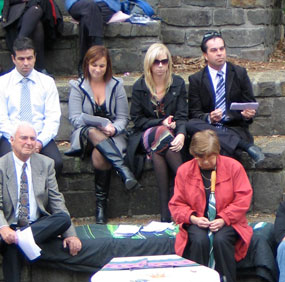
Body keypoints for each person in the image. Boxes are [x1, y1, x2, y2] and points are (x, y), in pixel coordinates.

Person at [0, 122, 82, 282]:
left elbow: (56, 200)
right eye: (23, 138)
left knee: (62, 219)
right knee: (11, 245)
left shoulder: (45, 164)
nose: (29, 143)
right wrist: (3, 227)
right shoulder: (2, 165)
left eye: (32, 138)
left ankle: (21, 238)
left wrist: (70, 234)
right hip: (9, 226)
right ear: (12, 141)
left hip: (36, 226)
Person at [169, 129, 253, 282]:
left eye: (209, 157)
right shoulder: (184, 171)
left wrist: (224, 218)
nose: (205, 161)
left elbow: (243, 199)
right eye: (201, 158)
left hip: (229, 221)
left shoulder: (233, 167)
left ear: (217, 153)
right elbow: (176, 204)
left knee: (222, 240)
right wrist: (192, 218)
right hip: (198, 220)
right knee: (199, 240)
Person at [67, 45, 137, 224]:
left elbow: (122, 118)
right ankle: (123, 169)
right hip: (85, 134)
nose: (97, 69)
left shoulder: (116, 85)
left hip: (112, 135)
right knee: (92, 131)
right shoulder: (78, 86)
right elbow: (74, 118)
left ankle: (101, 207)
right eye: (94, 65)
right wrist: (92, 122)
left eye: (101, 66)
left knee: (100, 155)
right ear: (87, 65)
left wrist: (113, 128)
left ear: (108, 66)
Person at [127, 43, 187, 222]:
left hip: (168, 138)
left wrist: (182, 134)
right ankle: (188, 182)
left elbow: (183, 115)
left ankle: (165, 215)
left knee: (159, 152)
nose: (160, 66)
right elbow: (137, 120)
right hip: (146, 134)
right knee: (161, 132)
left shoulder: (177, 83)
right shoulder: (140, 86)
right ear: (149, 64)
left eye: (164, 61)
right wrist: (160, 122)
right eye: (156, 62)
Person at [187, 31, 264, 164]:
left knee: (221, 149)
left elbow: (250, 103)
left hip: (234, 127)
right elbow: (194, 113)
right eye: (214, 50)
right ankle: (245, 146)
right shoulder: (196, 80)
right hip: (208, 128)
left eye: (222, 49)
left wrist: (247, 114)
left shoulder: (239, 73)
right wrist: (209, 117)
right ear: (205, 55)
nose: (219, 53)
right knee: (190, 124)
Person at [0, 38, 63, 174]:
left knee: (56, 163)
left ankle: (42, 195)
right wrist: (19, 140)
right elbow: (2, 120)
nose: (26, 63)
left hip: (39, 134)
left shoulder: (47, 82)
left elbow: (53, 118)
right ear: (13, 58)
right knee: (7, 165)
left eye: (29, 58)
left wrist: (39, 142)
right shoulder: (3, 83)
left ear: (35, 57)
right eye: (21, 59)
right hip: (12, 137)